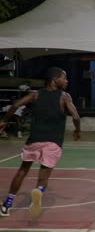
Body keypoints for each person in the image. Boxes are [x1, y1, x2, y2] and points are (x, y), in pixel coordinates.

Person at [0, 67, 81, 218]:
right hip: (53, 142)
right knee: (43, 177)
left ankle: (7, 204)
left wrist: (4, 121)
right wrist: (77, 131)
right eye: (64, 78)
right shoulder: (64, 96)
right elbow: (76, 116)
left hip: (34, 140)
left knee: (22, 171)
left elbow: (16, 105)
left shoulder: (35, 94)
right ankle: (39, 191)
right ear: (54, 79)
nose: (66, 81)